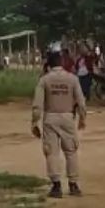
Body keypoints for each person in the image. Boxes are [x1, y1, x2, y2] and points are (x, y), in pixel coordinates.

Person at [32, 49, 86, 198]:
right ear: (62, 63)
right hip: (68, 117)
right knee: (71, 152)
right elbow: (81, 101)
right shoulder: (72, 79)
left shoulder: (44, 79)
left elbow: (37, 104)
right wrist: (82, 119)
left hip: (50, 117)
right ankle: (73, 184)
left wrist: (34, 122)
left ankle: (56, 186)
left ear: (48, 65)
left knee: (51, 152)